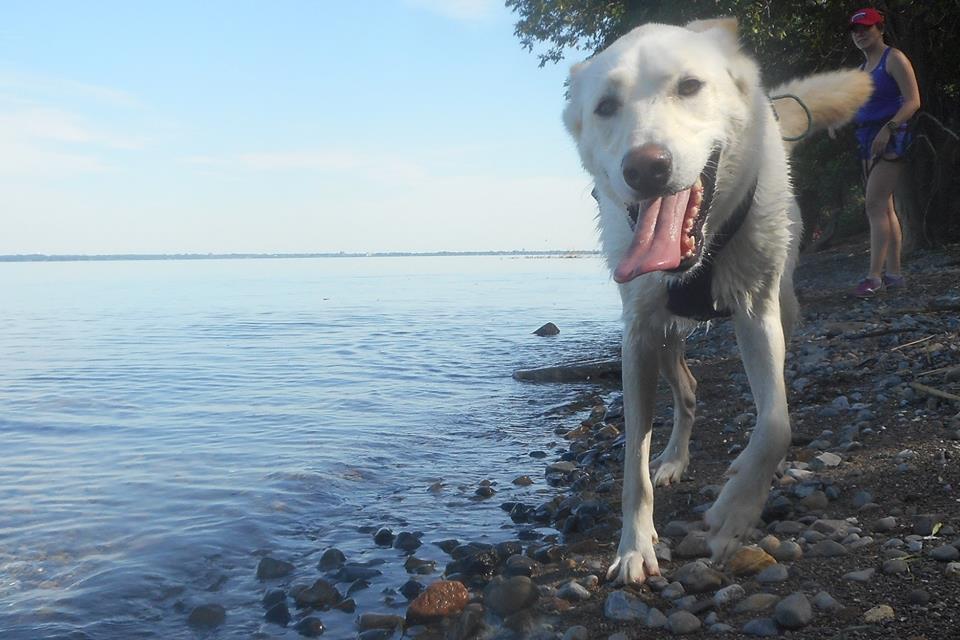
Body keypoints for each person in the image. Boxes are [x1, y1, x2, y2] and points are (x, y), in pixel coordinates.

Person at [847, 7, 921, 297]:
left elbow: (913, 101)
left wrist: (888, 129)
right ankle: (894, 274)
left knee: (874, 205)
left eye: (866, 28)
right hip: (866, 137)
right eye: (855, 30)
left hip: (891, 135)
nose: (860, 34)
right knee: (886, 208)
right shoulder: (861, 70)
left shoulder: (895, 59)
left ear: (880, 28)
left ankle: (873, 278)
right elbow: (857, 106)